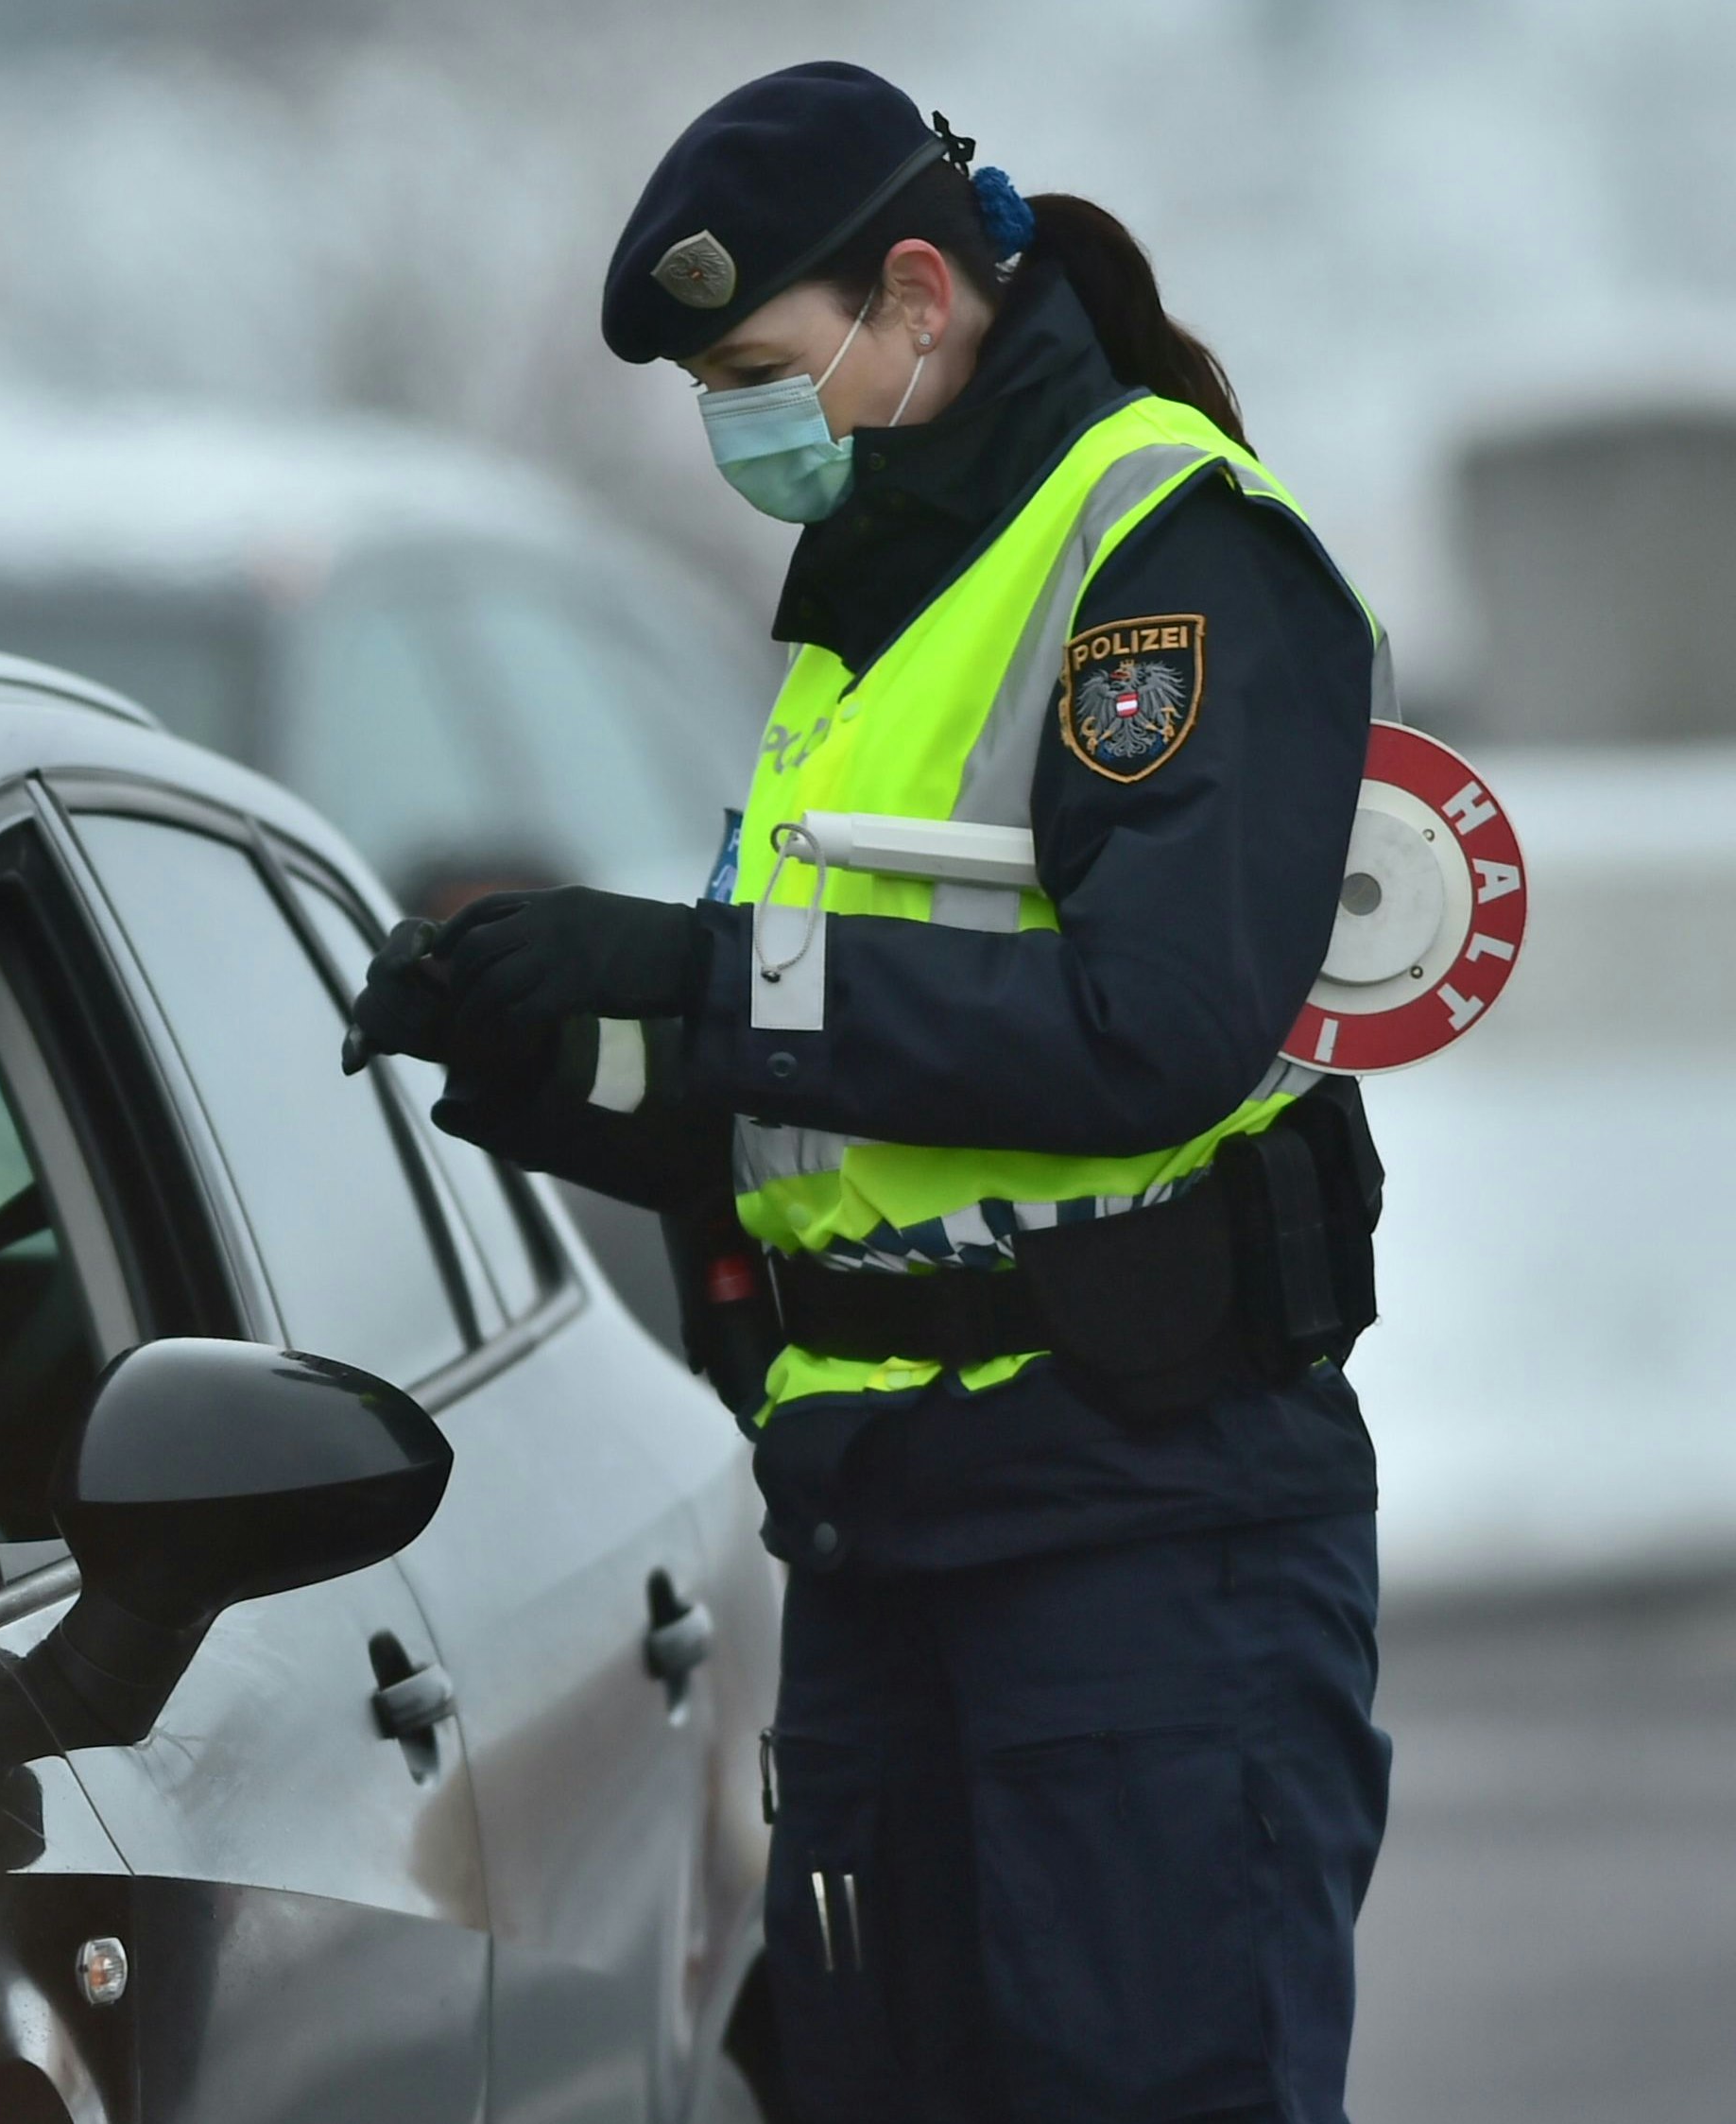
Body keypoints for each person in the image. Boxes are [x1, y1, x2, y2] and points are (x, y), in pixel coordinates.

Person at [353, 62, 1389, 2124]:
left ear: (914, 295)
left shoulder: (1158, 551)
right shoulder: (867, 615)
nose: (738, 426)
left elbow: (1143, 1026)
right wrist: (549, 1056)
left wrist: (689, 967)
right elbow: (822, 1103)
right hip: (883, 1531)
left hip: (1132, 1531)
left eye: (755, 366)